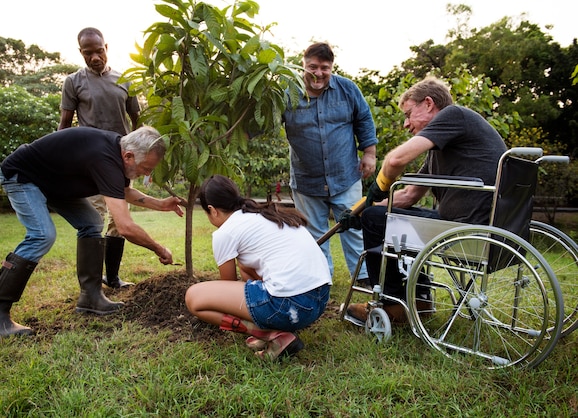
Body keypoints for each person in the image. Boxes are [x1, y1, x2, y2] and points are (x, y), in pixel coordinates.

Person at [0, 126, 184, 338]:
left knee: (91, 223)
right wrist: (159, 249)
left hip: (55, 184)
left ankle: (91, 297)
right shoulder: (105, 158)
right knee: (42, 235)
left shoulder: (118, 155)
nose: (148, 174)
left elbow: (124, 192)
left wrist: (160, 204)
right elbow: (125, 227)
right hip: (23, 176)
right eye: (146, 167)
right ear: (129, 156)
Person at [344, 76, 507, 323]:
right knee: (375, 216)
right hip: (478, 227)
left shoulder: (453, 115)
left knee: (377, 220)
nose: (406, 125)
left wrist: (379, 187)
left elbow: (394, 161)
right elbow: (409, 195)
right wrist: (363, 209)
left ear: (428, 104)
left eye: (409, 114)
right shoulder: (442, 146)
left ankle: (394, 304)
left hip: (467, 228)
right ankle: (417, 300)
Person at [185, 175, 332, 360]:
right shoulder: (263, 214)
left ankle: (270, 335)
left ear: (212, 210)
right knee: (245, 265)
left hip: (289, 306)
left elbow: (227, 286)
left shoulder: (225, 233)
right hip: (318, 301)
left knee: (193, 297)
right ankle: (273, 327)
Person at [282, 42, 378, 283]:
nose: (318, 73)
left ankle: (364, 279)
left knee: (354, 229)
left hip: (345, 176)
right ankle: (322, 281)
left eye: (325, 68)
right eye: (312, 67)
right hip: (307, 180)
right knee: (315, 234)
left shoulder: (347, 89)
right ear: (303, 65)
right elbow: (262, 122)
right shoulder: (288, 93)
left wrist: (370, 153)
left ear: (332, 67)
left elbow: (364, 119)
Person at [58, 27, 141, 289]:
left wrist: (139, 161)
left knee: (119, 221)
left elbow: (136, 122)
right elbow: (64, 125)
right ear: (81, 52)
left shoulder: (125, 79)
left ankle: (113, 278)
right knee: (94, 218)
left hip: (121, 161)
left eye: (99, 50)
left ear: (107, 47)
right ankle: (91, 285)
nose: (95, 57)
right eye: (88, 52)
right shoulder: (74, 82)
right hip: (90, 162)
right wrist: (63, 162)